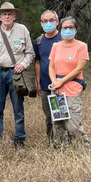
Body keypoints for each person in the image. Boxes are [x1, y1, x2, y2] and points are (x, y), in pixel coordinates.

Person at [0, 2, 34, 147]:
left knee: (18, 107)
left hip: (16, 75)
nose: (7, 16)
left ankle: (19, 138)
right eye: (4, 14)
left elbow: (29, 53)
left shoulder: (22, 30)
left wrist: (22, 65)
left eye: (10, 14)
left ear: (14, 16)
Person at [49, 17, 91, 153]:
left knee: (73, 125)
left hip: (73, 88)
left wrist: (61, 82)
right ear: (60, 29)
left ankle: (86, 151)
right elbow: (51, 67)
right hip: (57, 89)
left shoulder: (81, 46)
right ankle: (62, 150)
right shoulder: (56, 46)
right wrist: (55, 84)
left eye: (71, 28)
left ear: (76, 30)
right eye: (65, 28)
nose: (67, 30)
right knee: (58, 122)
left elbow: (78, 69)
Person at [33, 10, 62, 144]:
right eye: (45, 21)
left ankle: (63, 141)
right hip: (45, 85)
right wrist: (38, 83)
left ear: (57, 22)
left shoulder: (64, 39)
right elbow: (37, 62)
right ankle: (52, 141)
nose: (48, 23)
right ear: (41, 24)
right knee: (49, 115)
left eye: (51, 20)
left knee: (60, 114)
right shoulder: (39, 41)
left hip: (61, 85)